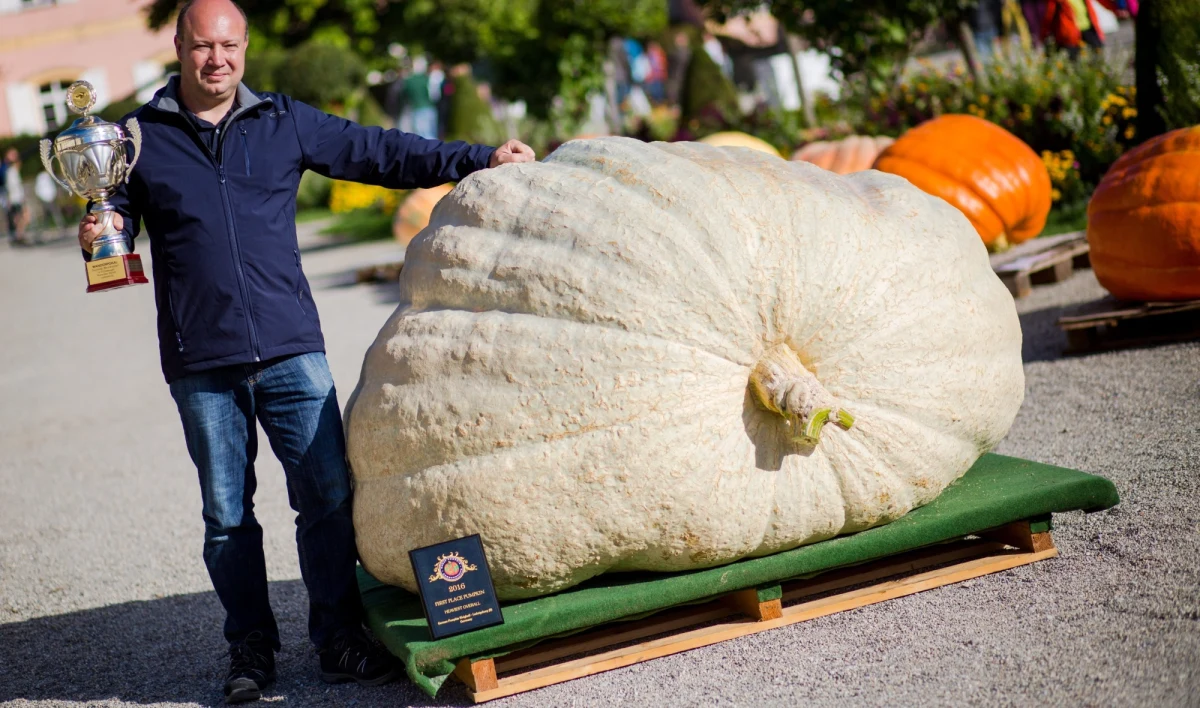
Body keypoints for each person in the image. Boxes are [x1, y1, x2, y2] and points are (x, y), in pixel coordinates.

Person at [75, 0, 535, 703]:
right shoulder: (138, 138)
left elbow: (379, 151)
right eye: (202, 46)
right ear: (178, 45)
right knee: (226, 516)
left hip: (291, 347)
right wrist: (100, 231)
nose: (216, 59)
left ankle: (338, 639)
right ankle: (250, 650)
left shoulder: (283, 120)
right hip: (201, 358)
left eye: (229, 45)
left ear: (246, 46)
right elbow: (118, 222)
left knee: (325, 497)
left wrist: (479, 159)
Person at [1042, 0, 1133, 57]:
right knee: (1075, 66)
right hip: (1070, 35)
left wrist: (1116, 9)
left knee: (1097, 59)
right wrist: (1044, 35)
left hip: (1089, 28)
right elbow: (1048, 16)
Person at [4, 148, 27, 245]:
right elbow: (11, 188)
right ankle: (18, 236)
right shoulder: (11, 172)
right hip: (16, 199)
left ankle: (18, 235)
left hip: (16, 198)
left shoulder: (13, 172)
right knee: (20, 218)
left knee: (19, 218)